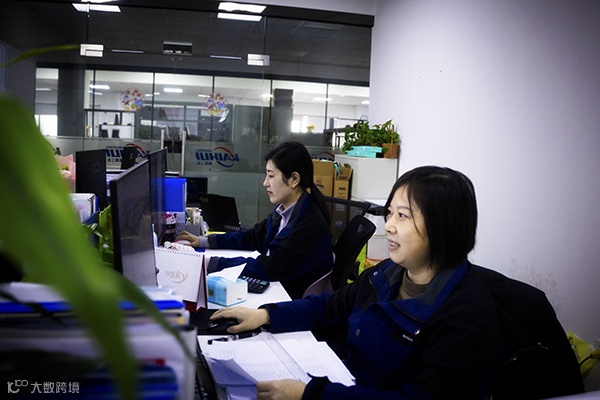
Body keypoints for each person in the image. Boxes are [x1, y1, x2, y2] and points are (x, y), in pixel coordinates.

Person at [207, 166, 584, 400]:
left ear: (443, 227)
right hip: (349, 382)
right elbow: (333, 305)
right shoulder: (388, 273)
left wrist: (312, 395)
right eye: (389, 213)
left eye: (403, 216)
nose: (388, 226)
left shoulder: (467, 316)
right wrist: (266, 315)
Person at [177, 141, 333, 299]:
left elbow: (270, 267)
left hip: (291, 300)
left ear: (294, 179)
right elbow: (252, 237)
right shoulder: (283, 212)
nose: (265, 183)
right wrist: (204, 241)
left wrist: (210, 263)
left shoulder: (310, 225)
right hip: (278, 289)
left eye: (271, 176)